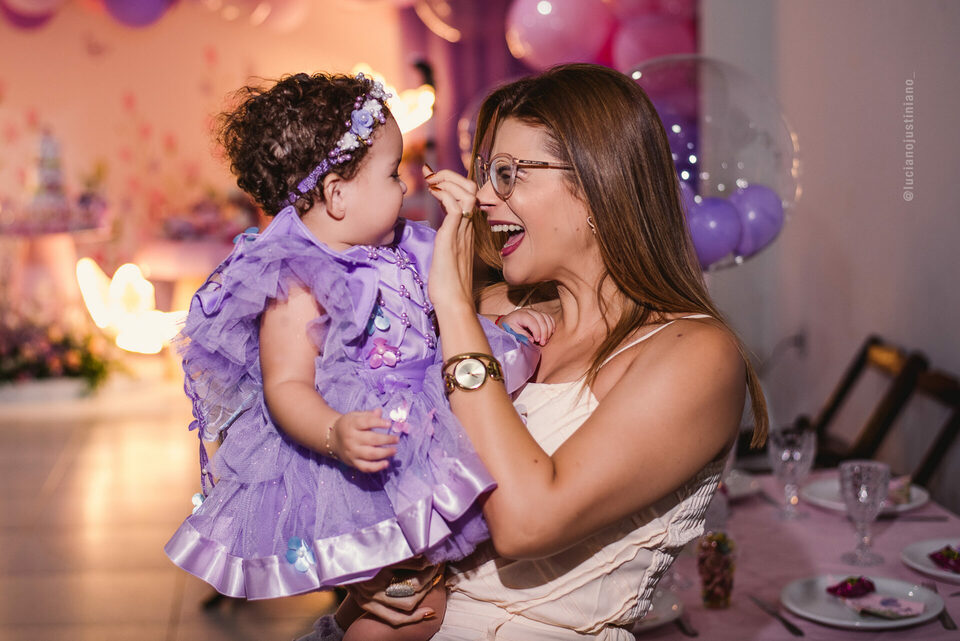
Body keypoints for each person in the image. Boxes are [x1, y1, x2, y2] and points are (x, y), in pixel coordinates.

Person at [346, 63, 769, 640]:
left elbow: (526, 522)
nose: (483, 197)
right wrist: (372, 570)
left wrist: (454, 308)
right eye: (485, 173)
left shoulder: (696, 356)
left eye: (507, 173)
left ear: (596, 185)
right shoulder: (496, 314)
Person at [162, 72, 549, 641]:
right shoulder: (297, 278)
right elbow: (285, 386)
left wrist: (497, 326)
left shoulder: (400, 247)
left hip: (417, 425)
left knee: (415, 595)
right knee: (411, 604)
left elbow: (440, 320)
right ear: (338, 194)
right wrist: (334, 431)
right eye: (392, 173)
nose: (406, 185)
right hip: (360, 455)